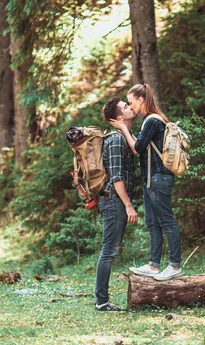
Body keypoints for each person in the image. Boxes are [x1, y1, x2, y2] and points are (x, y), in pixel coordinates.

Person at [109, 83, 183, 281]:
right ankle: (153, 266)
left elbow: (137, 148)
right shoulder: (149, 122)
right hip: (152, 180)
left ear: (141, 100)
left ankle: (175, 265)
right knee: (152, 222)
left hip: (159, 179)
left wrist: (123, 127)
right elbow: (140, 143)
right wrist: (126, 130)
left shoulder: (151, 120)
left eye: (132, 103)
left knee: (167, 221)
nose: (131, 107)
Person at [95, 97, 138, 312]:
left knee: (110, 249)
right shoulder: (115, 140)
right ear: (119, 117)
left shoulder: (124, 137)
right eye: (125, 106)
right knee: (109, 250)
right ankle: (101, 301)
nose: (131, 107)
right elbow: (117, 177)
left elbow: (138, 148)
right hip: (113, 200)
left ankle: (101, 299)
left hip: (116, 199)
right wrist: (128, 205)